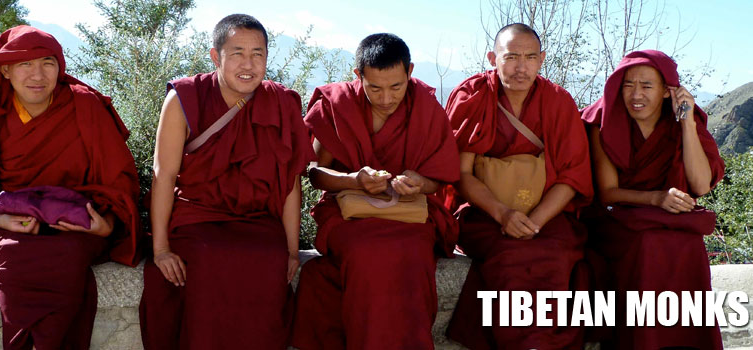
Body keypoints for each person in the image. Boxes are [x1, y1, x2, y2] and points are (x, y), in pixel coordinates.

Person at [0, 25, 142, 349]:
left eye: (47, 63)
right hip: (14, 225)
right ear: (7, 70)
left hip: (76, 226)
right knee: (14, 260)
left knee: (67, 255)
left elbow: (120, 178)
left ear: (60, 67)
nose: (37, 74)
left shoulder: (84, 106)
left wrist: (105, 226)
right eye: (26, 64)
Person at [138, 14, 315, 349]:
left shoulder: (282, 103)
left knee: (268, 262)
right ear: (216, 56)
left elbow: (290, 182)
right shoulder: (185, 99)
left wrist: (292, 250)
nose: (248, 64)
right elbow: (164, 175)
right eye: (237, 53)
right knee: (207, 260)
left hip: (258, 220)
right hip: (198, 217)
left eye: (258, 54)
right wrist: (161, 249)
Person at [290, 33, 460, 350]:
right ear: (358, 76)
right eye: (374, 88)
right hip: (349, 216)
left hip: (409, 217)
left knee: (412, 259)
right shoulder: (338, 104)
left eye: (396, 87)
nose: (386, 98)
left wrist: (419, 183)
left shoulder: (426, 106)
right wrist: (354, 179)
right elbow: (314, 173)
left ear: (410, 72)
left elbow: (439, 178)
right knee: (365, 255)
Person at [444, 23, 593, 349]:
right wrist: (502, 214)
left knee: (553, 255)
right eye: (511, 57)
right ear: (492, 57)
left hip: (549, 215)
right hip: (485, 213)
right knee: (510, 254)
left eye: (529, 57)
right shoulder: (473, 96)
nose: (521, 67)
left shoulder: (557, 102)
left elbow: (573, 177)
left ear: (541, 59)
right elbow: (461, 174)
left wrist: (537, 220)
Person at [580, 49, 725, 350]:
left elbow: (700, 183)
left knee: (689, 245)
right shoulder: (604, 121)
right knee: (649, 244)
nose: (636, 95)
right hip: (614, 219)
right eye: (628, 85)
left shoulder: (683, 122)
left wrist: (685, 121)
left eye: (647, 86)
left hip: (663, 216)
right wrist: (657, 198)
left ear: (666, 92)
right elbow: (608, 192)